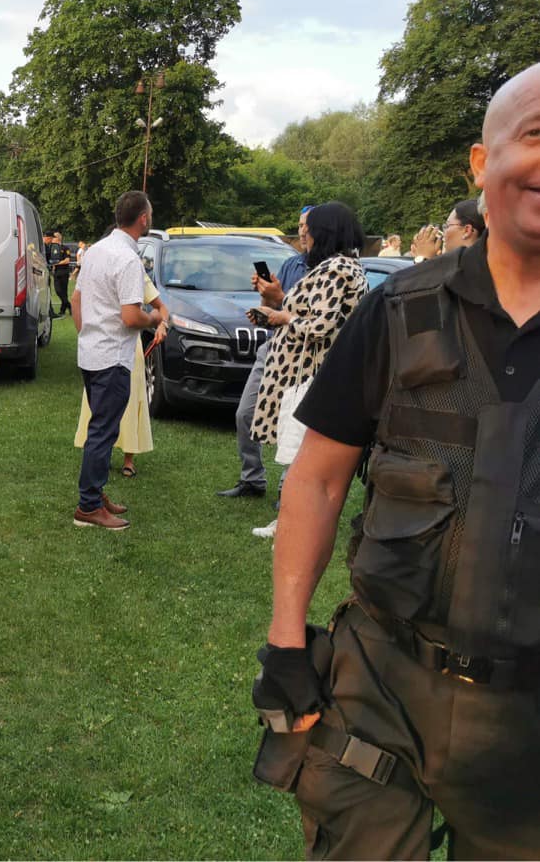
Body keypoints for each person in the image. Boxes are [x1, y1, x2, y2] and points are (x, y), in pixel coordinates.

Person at [250, 62, 540, 859]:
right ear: (482, 164)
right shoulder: (400, 309)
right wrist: (285, 641)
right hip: (383, 687)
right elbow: (318, 478)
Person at [248, 202, 368, 538]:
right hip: (307, 373)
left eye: (310, 228)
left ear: (324, 233)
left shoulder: (337, 270)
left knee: (303, 457)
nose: (305, 234)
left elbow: (319, 326)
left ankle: (294, 524)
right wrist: (277, 304)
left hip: (310, 375)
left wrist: (283, 316)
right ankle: (289, 520)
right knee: (300, 456)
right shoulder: (340, 266)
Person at [70, 192, 167, 530]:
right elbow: (130, 316)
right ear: (143, 219)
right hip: (112, 357)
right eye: (149, 214)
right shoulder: (128, 260)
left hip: (91, 353)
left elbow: (76, 300)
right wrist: (154, 318)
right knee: (103, 431)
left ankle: (95, 496)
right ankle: (88, 507)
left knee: (101, 428)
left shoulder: (95, 250)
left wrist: (87, 335)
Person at [217, 206, 312, 499]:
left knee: (295, 423)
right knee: (245, 413)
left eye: (308, 226)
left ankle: (287, 488)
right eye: (300, 225)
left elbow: (310, 318)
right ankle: (252, 479)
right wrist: (264, 298)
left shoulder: (326, 271)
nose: (302, 231)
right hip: (273, 348)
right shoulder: (292, 264)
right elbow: (272, 308)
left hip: (304, 356)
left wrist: (278, 300)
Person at [72, 240, 167, 478]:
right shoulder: (107, 264)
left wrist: (162, 324)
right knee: (100, 413)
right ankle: (96, 472)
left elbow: (159, 307)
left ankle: (126, 458)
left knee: (130, 401)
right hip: (104, 347)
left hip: (123, 348)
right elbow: (77, 300)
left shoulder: (130, 267)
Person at [50, 231, 73, 316]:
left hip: (64, 272)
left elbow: (67, 260)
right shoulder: (53, 249)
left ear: (58, 238)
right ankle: (69, 305)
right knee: (58, 291)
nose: (52, 239)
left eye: (53, 238)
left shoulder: (65, 248)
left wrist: (57, 263)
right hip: (56, 272)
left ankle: (62, 310)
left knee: (64, 291)